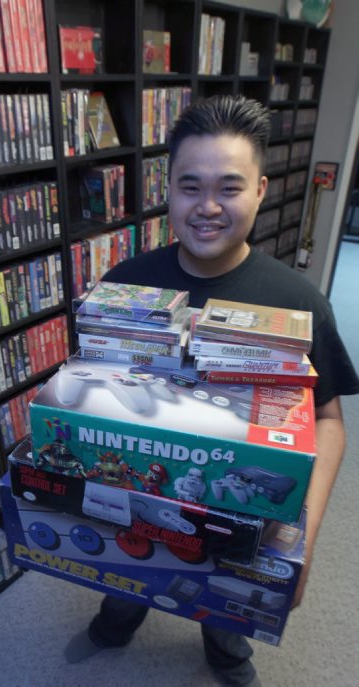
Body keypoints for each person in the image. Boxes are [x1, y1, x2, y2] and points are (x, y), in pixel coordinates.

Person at [63, 95, 359, 686]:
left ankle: (225, 653)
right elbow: (89, 381)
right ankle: (116, 621)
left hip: (240, 504)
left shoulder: (299, 302)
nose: (207, 207)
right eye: (189, 186)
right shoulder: (126, 284)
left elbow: (328, 419)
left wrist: (304, 534)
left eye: (229, 187)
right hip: (138, 489)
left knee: (229, 598)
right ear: (167, 189)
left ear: (261, 190)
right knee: (128, 569)